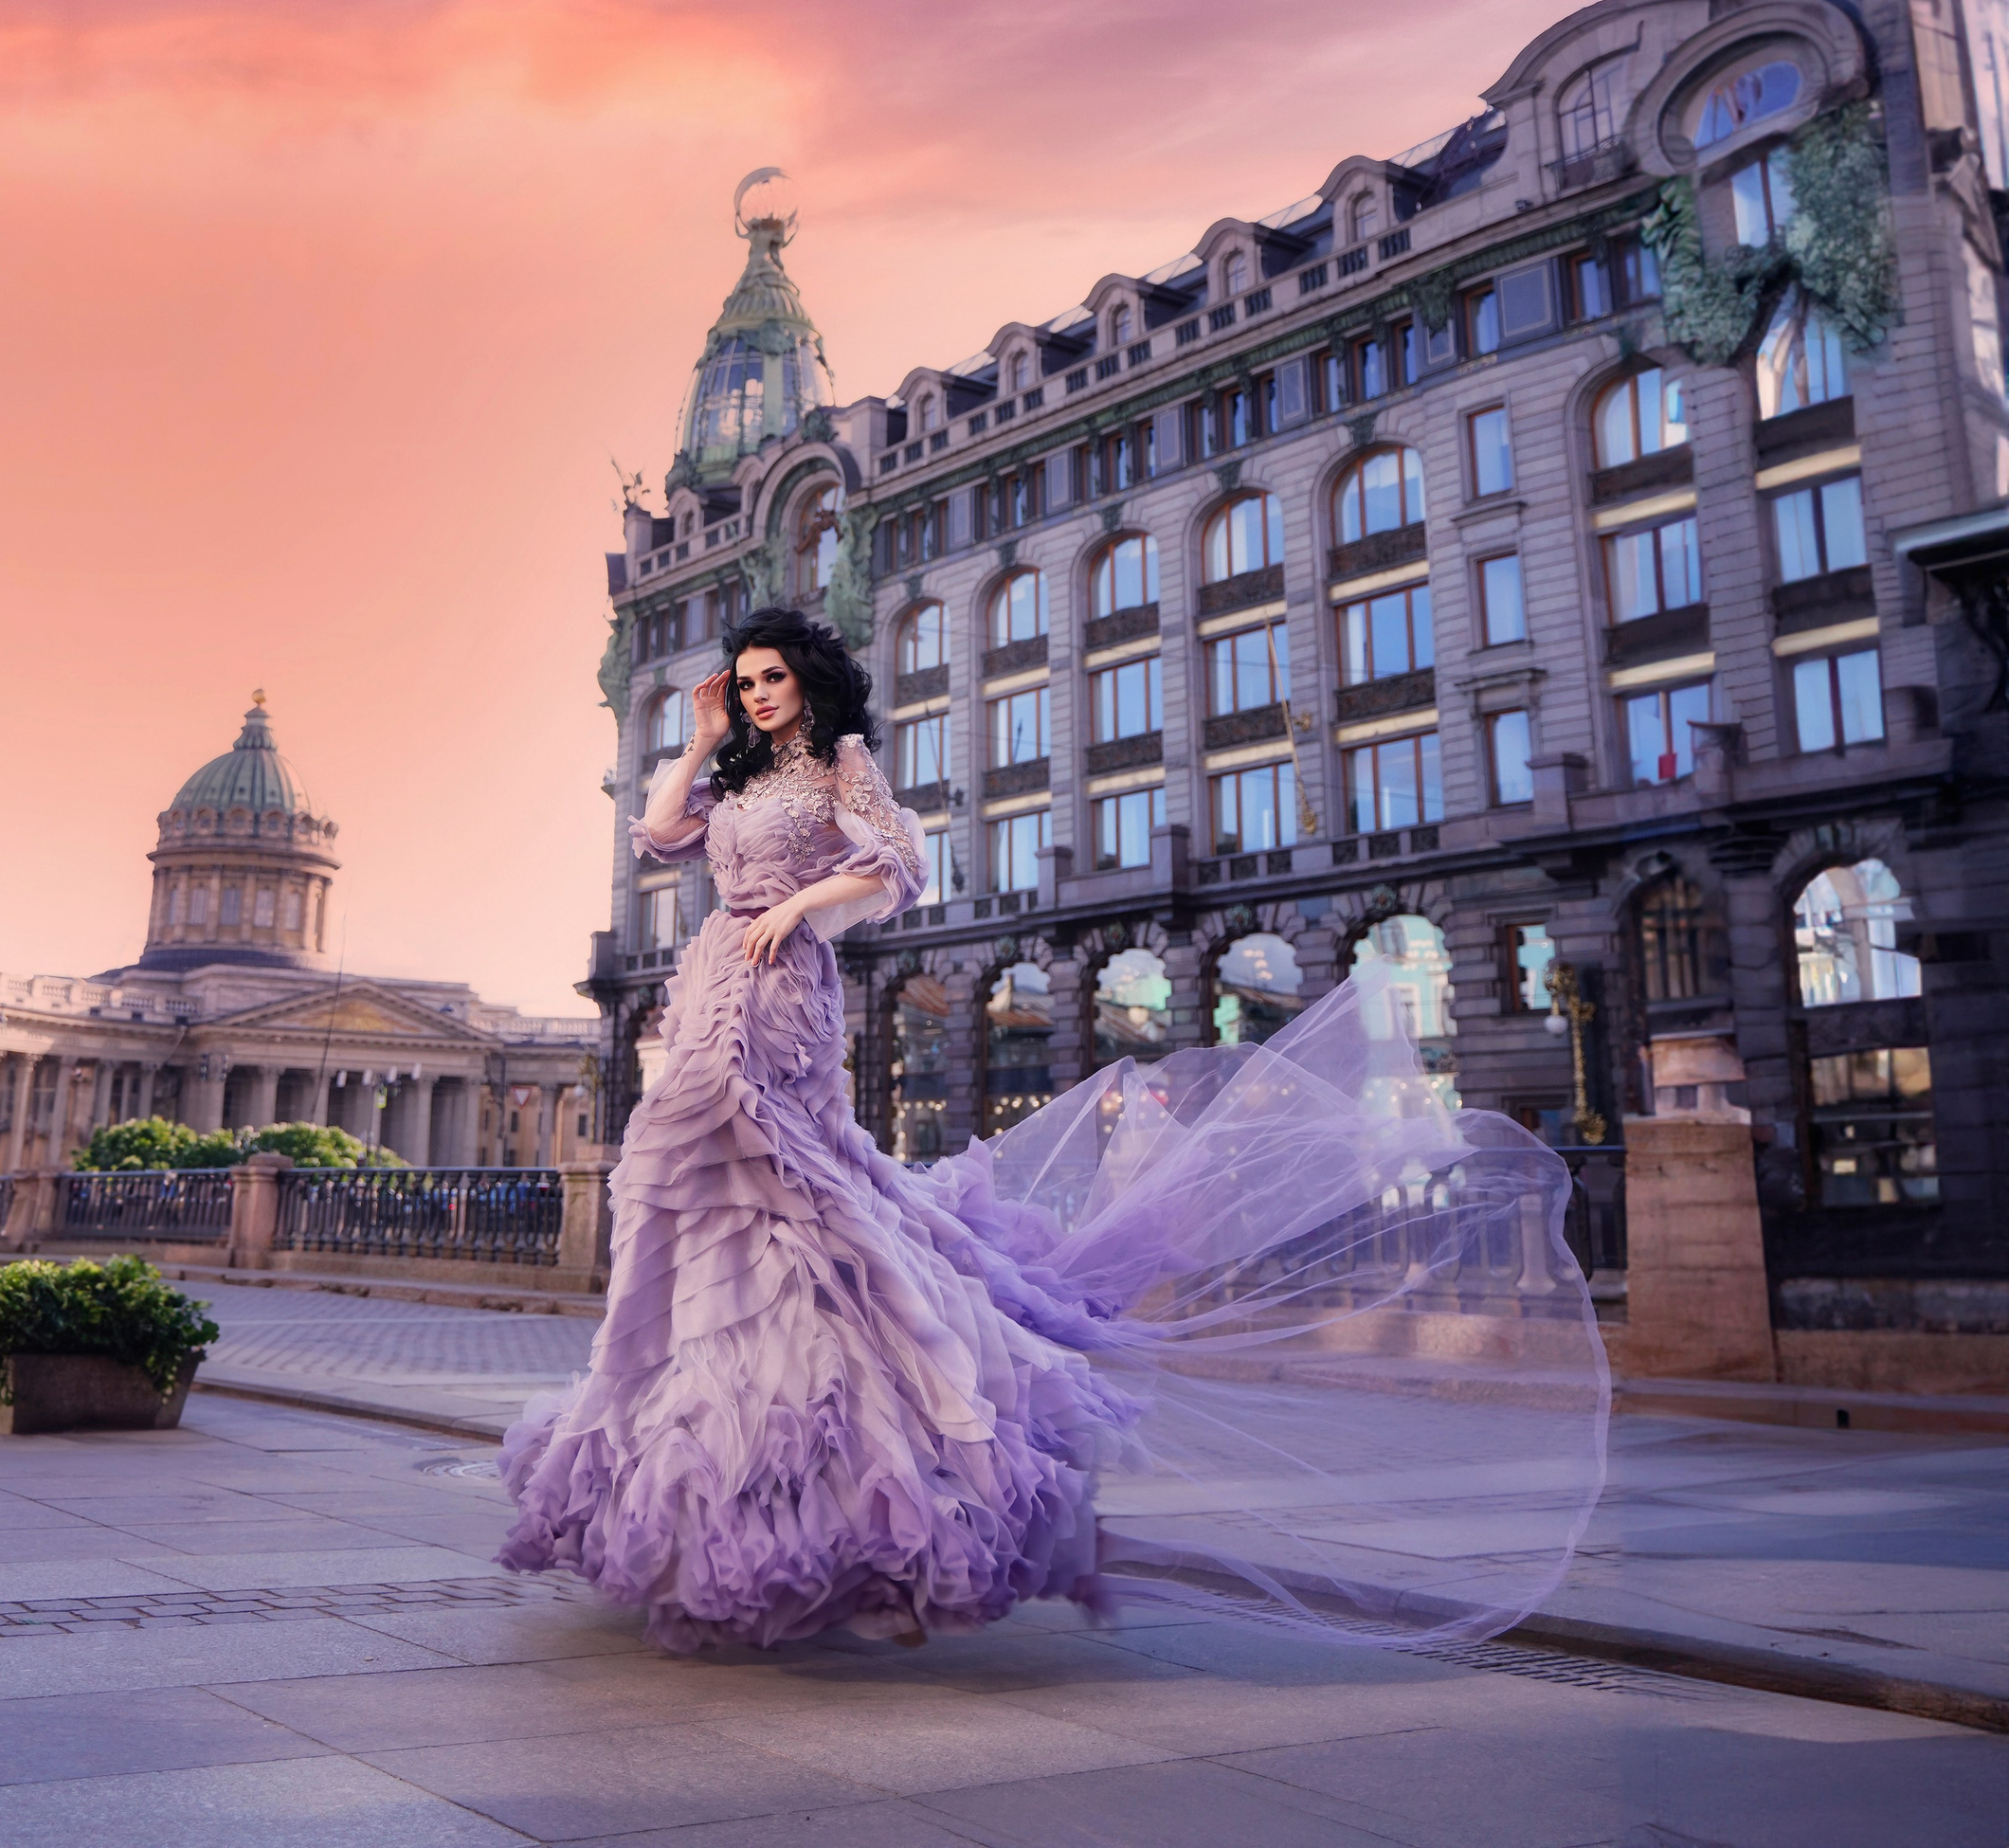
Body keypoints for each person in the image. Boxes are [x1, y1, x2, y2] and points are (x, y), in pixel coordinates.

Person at [500, 606, 1607, 1657]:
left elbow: (899, 858)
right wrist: (695, 739)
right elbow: (655, 833)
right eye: (743, 683)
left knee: (791, 1189)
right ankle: (716, 1417)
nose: (756, 694)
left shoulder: (839, 762)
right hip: (708, 986)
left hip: (783, 983)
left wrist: (795, 907)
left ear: (809, 681)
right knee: (699, 1201)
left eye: (770, 677)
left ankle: (861, 1436)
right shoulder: (736, 766)